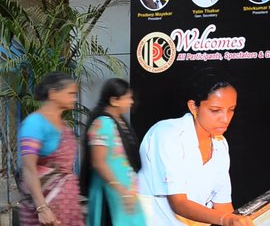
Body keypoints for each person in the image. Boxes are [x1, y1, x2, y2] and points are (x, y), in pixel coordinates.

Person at [138, 67, 254, 226]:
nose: (225, 118)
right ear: (193, 107)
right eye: (215, 110)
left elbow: (223, 205)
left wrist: (234, 220)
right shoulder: (167, 134)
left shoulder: (220, 144)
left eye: (231, 110)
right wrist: (225, 220)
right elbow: (178, 202)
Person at [18, 72, 84, 226]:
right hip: (47, 210)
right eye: (70, 93)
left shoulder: (62, 124)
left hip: (66, 206)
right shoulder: (35, 123)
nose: (74, 98)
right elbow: (29, 168)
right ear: (53, 93)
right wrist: (42, 208)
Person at [79, 78, 146, 226]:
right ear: (114, 100)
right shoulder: (101, 124)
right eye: (128, 98)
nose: (131, 102)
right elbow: (99, 162)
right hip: (110, 192)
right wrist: (119, 188)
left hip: (126, 191)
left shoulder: (119, 121)